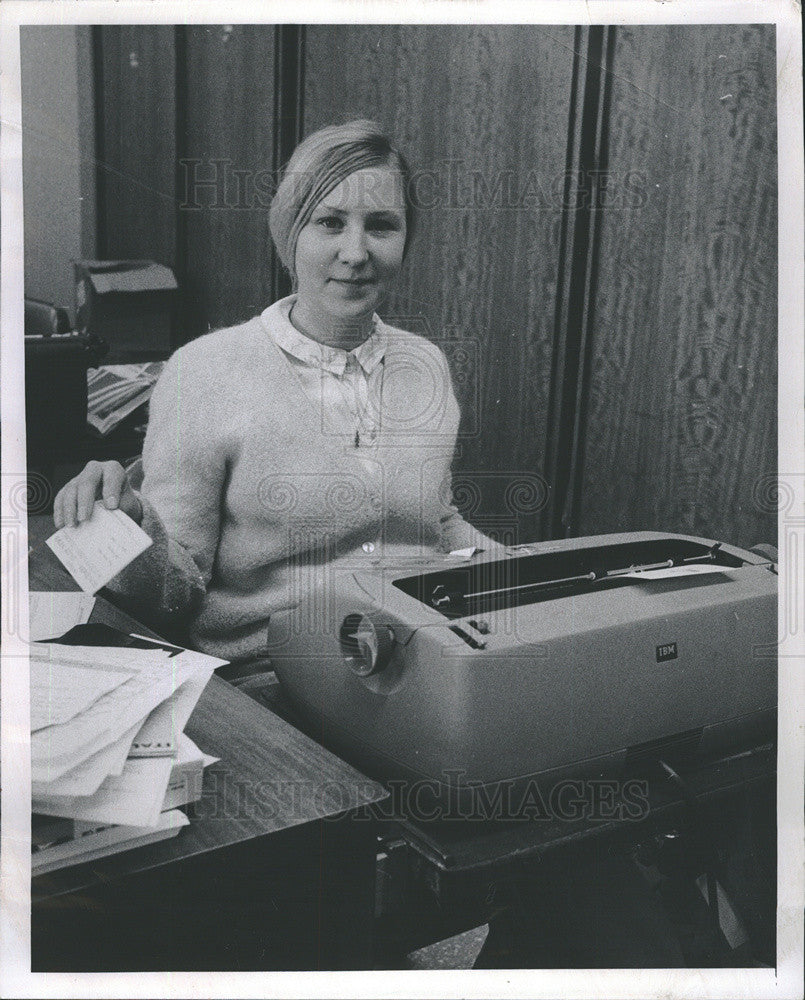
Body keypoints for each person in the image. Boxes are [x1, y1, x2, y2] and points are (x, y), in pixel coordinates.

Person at [53, 119, 500, 670]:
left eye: (381, 225)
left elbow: (438, 520)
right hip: (272, 676)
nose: (356, 253)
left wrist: (533, 574)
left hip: (420, 654)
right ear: (291, 234)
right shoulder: (205, 372)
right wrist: (128, 524)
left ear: (407, 239)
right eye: (330, 222)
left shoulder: (424, 363)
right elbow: (175, 594)